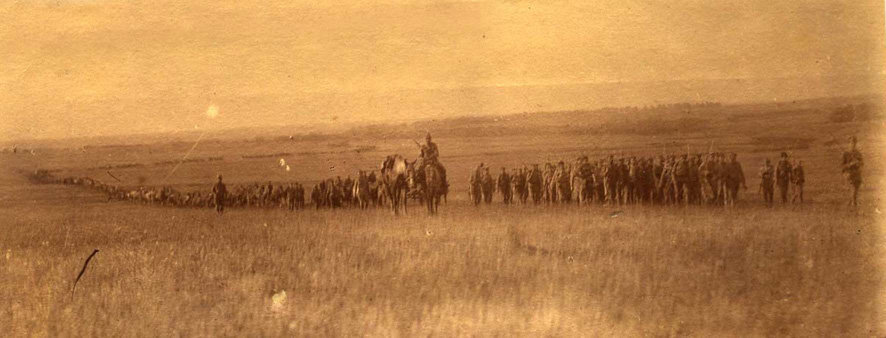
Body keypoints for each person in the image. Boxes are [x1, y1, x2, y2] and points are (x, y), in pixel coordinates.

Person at [842, 136, 863, 206]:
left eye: (854, 143)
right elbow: (842, 166)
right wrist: (850, 164)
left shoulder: (858, 153)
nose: (852, 144)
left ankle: (850, 203)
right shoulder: (845, 154)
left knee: (855, 190)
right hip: (849, 174)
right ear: (848, 143)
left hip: (857, 174)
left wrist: (858, 163)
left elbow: (862, 163)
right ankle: (853, 204)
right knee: (853, 189)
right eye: (851, 143)